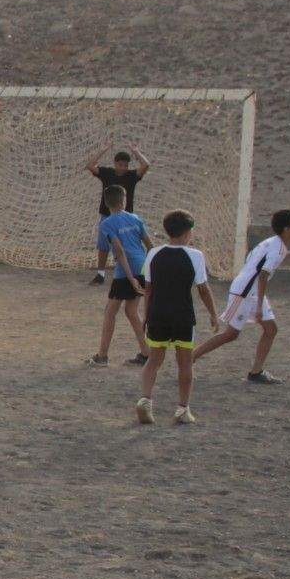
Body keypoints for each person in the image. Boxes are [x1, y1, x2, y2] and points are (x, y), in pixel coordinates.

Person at [195, 208, 290, 384]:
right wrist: (259, 305)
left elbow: (252, 262)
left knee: (271, 329)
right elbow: (264, 274)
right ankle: (191, 356)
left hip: (251, 290)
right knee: (231, 334)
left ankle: (256, 372)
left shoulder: (269, 242)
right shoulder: (279, 248)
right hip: (244, 292)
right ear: (287, 229)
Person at [136, 210, 219, 426]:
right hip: (182, 316)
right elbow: (203, 289)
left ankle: (145, 399)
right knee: (185, 363)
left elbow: (149, 290)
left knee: (154, 359)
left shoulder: (153, 253)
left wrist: (146, 315)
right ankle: (182, 409)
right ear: (188, 232)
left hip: (158, 314)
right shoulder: (195, 255)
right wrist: (212, 313)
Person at [90, 186, 150, 366]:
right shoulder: (135, 218)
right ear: (124, 200)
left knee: (110, 312)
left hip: (126, 271)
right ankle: (146, 353)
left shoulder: (107, 223)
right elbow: (150, 245)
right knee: (131, 311)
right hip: (142, 267)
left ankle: (102, 356)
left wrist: (130, 277)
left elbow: (119, 250)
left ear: (106, 202)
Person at [84, 145, 151, 283]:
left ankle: (134, 272)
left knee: (127, 245)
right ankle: (100, 274)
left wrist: (136, 151)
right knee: (103, 246)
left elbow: (146, 165)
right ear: (115, 163)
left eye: (126, 165)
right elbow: (90, 165)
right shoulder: (107, 173)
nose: (123, 168)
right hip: (107, 215)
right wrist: (103, 150)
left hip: (125, 217)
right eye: (120, 164)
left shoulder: (132, 176)